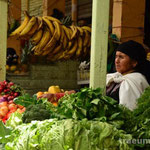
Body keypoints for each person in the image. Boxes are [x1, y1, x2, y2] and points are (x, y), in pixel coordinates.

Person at [106, 40, 150, 110]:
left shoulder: (132, 81)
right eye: (116, 56)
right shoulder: (118, 77)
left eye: (121, 57)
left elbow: (128, 111)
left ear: (134, 63)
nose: (116, 61)